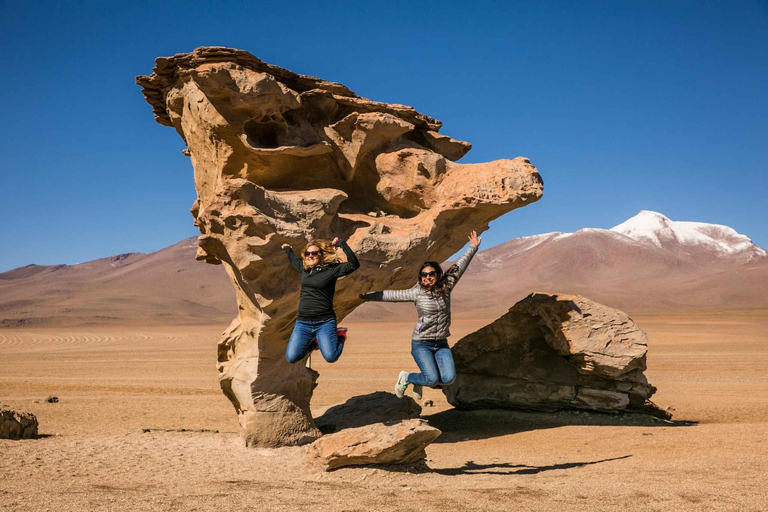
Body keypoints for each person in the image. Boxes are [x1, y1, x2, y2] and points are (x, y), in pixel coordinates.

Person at [360, 231, 481, 399]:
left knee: (448, 378)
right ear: (420, 277)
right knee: (431, 379)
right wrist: (367, 296)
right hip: (421, 343)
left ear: (437, 275)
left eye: (431, 274)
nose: (428, 277)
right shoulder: (416, 293)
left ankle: (419, 381)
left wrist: (473, 247)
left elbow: (459, 267)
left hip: (441, 342)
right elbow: (391, 295)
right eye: (424, 275)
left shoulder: (446, 287)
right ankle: (407, 377)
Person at [282, 237, 359, 364]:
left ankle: (340, 336)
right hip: (303, 323)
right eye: (307, 253)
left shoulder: (331, 270)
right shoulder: (304, 268)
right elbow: (293, 259)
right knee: (291, 357)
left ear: (321, 255)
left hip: (324, 322)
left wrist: (342, 244)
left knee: (331, 357)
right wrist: (287, 249)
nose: (310, 256)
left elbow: (353, 264)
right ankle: (314, 345)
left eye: (314, 253)